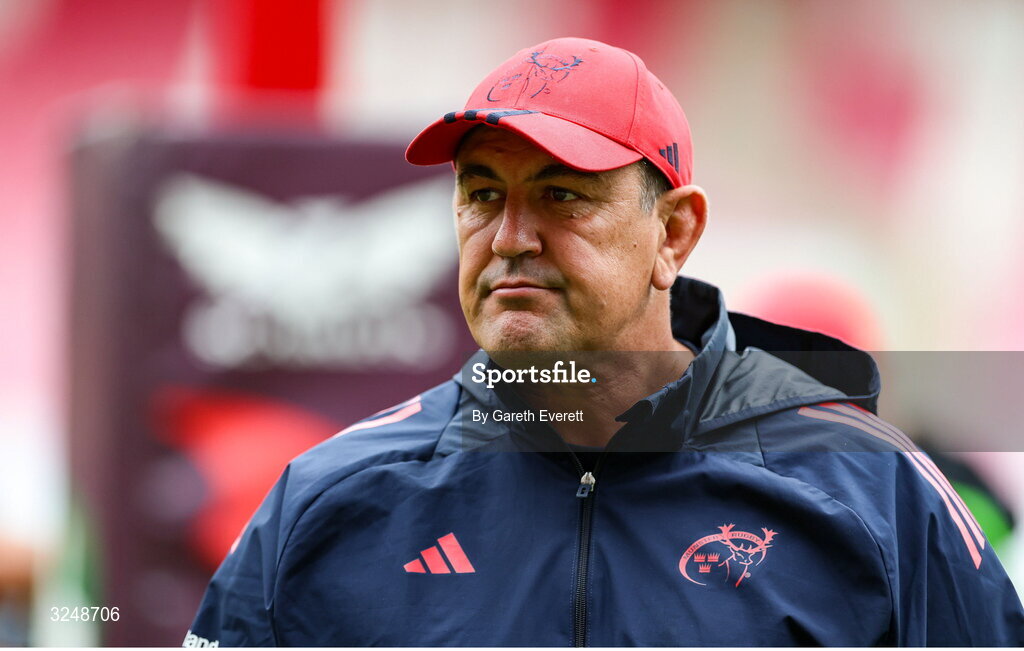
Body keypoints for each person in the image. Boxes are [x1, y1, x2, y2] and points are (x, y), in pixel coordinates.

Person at [184, 37, 1024, 646]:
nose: (510, 235)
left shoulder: (870, 490)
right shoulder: (331, 501)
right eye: (481, 193)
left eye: (562, 194)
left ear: (675, 232)